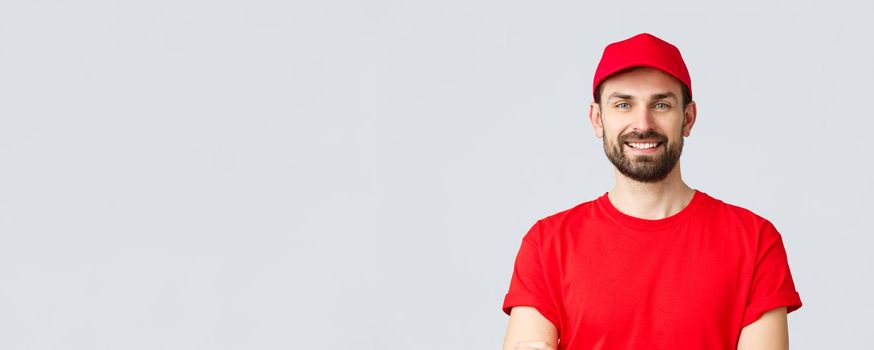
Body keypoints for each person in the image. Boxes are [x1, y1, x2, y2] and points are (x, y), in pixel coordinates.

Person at [500, 33, 803, 350]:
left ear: (687, 118)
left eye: (661, 104)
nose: (642, 122)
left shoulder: (754, 240)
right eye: (623, 104)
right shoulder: (547, 243)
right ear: (597, 119)